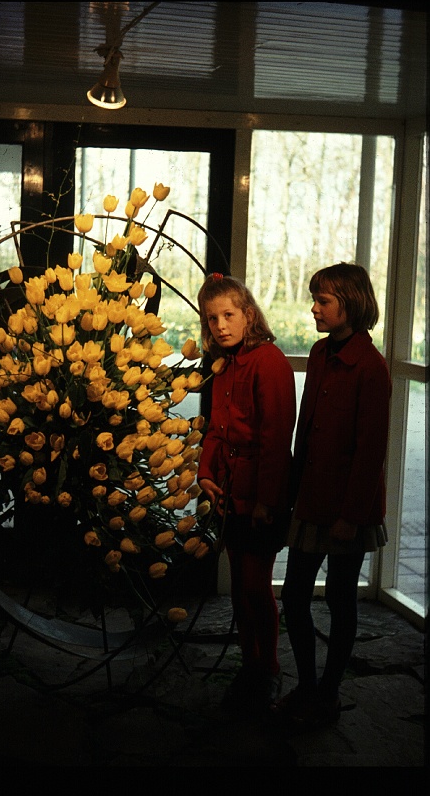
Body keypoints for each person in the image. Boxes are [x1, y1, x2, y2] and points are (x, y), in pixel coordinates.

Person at [273, 262, 391, 733]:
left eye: (323, 301)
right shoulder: (322, 353)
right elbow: (307, 430)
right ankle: (307, 685)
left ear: (351, 303)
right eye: (315, 299)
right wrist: (293, 492)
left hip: (348, 509)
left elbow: (370, 452)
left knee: (342, 600)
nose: (314, 309)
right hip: (312, 499)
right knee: (296, 597)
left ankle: (329, 691)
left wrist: (350, 516)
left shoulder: (372, 367)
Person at [197, 273, 296, 718]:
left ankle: (269, 668)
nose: (220, 325)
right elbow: (217, 429)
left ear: (249, 315)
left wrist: (265, 501)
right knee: (239, 585)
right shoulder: (224, 365)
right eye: (212, 318)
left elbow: (276, 439)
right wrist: (206, 474)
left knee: (257, 586)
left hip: (261, 493)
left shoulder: (268, 361)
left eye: (229, 315)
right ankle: (250, 664)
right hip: (231, 491)